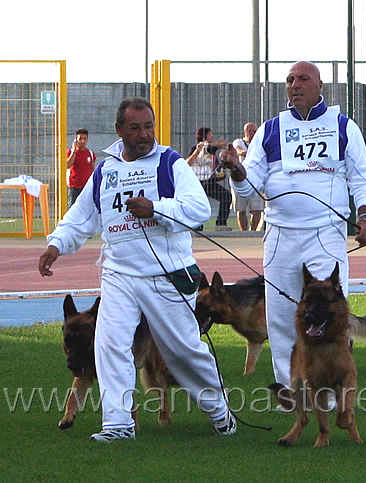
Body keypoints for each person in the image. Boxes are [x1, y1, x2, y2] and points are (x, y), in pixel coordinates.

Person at [38, 97, 236, 442]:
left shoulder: (171, 163)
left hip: (166, 275)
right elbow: (82, 216)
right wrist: (57, 244)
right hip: (118, 272)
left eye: (148, 127)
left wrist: (156, 208)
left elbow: (198, 208)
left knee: (182, 352)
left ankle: (220, 411)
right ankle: (118, 424)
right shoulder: (106, 169)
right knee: (109, 343)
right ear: (119, 130)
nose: (144, 134)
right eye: (135, 128)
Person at [219, 61, 366, 391]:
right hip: (280, 236)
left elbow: (363, 180)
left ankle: (329, 391)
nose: (295, 85)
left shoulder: (343, 127)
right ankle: (290, 390)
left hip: (325, 234)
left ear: (320, 86)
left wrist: (364, 217)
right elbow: (250, 187)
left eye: (303, 79)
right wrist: (236, 170)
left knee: (328, 315)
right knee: (279, 317)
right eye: (290, 80)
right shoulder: (270, 129)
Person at [185, 127, 232, 231]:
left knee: (226, 196)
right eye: (210, 135)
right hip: (197, 182)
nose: (212, 136)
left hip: (209, 181)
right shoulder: (194, 148)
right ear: (204, 136)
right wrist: (198, 150)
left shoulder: (211, 148)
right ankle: (198, 226)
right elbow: (187, 163)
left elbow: (223, 143)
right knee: (199, 203)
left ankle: (221, 223)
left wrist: (208, 145)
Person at [232, 122, 264, 231]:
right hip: (241, 179)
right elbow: (238, 150)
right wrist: (245, 152)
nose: (255, 133)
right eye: (253, 131)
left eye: (256, 131)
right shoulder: (239, 142)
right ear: (247, 132)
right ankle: (243, 232)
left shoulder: (259, 144)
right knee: (240, 209)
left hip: (256, 179)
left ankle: (253, 231)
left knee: (257, 209)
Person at [66, 128, 97, 208]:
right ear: (76, 140)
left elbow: (92, 169)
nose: (82, 141)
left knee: (87, 209)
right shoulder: (70, 152)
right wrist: (74, 151)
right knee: (73, 208)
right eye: (80, 139)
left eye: (85, 139)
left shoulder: (90, 153)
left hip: (86, 188)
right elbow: (68, 165)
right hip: (74, 187)